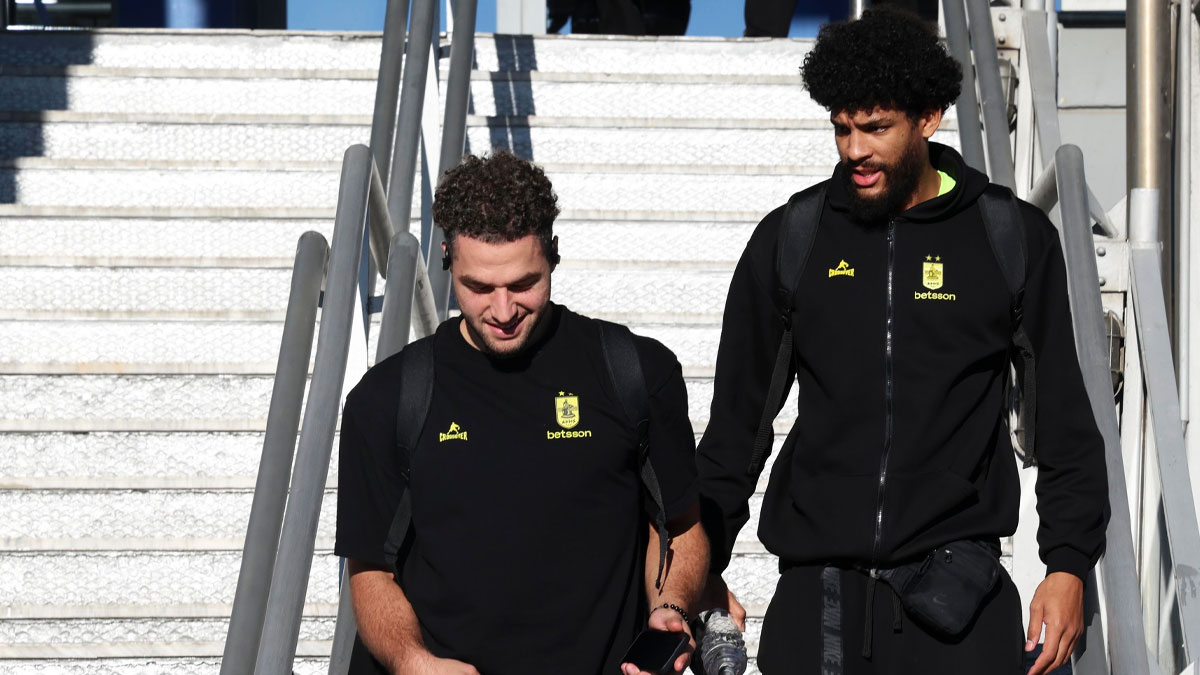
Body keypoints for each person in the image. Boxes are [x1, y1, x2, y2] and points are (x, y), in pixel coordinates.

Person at [696, 8, 1109, 674]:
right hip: (818, 599)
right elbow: (734, 433)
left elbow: (1063, 422)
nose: (855, 149)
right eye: (842, 128)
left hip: (959, 601)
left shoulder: (1010, 237)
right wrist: (698, 565)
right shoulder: (793, 238)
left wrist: (1068, 564)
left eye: (876, 127)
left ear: (929, 118)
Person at [334, 151, 709, 675]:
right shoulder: (386, 398)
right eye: (479, 287)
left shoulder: (637, 372)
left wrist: (671, 607)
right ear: (446, 258)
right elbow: (370, 570)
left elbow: (681, 527)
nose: (504, 310)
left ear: (553, 254)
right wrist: (413, 661)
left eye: (523, 283)